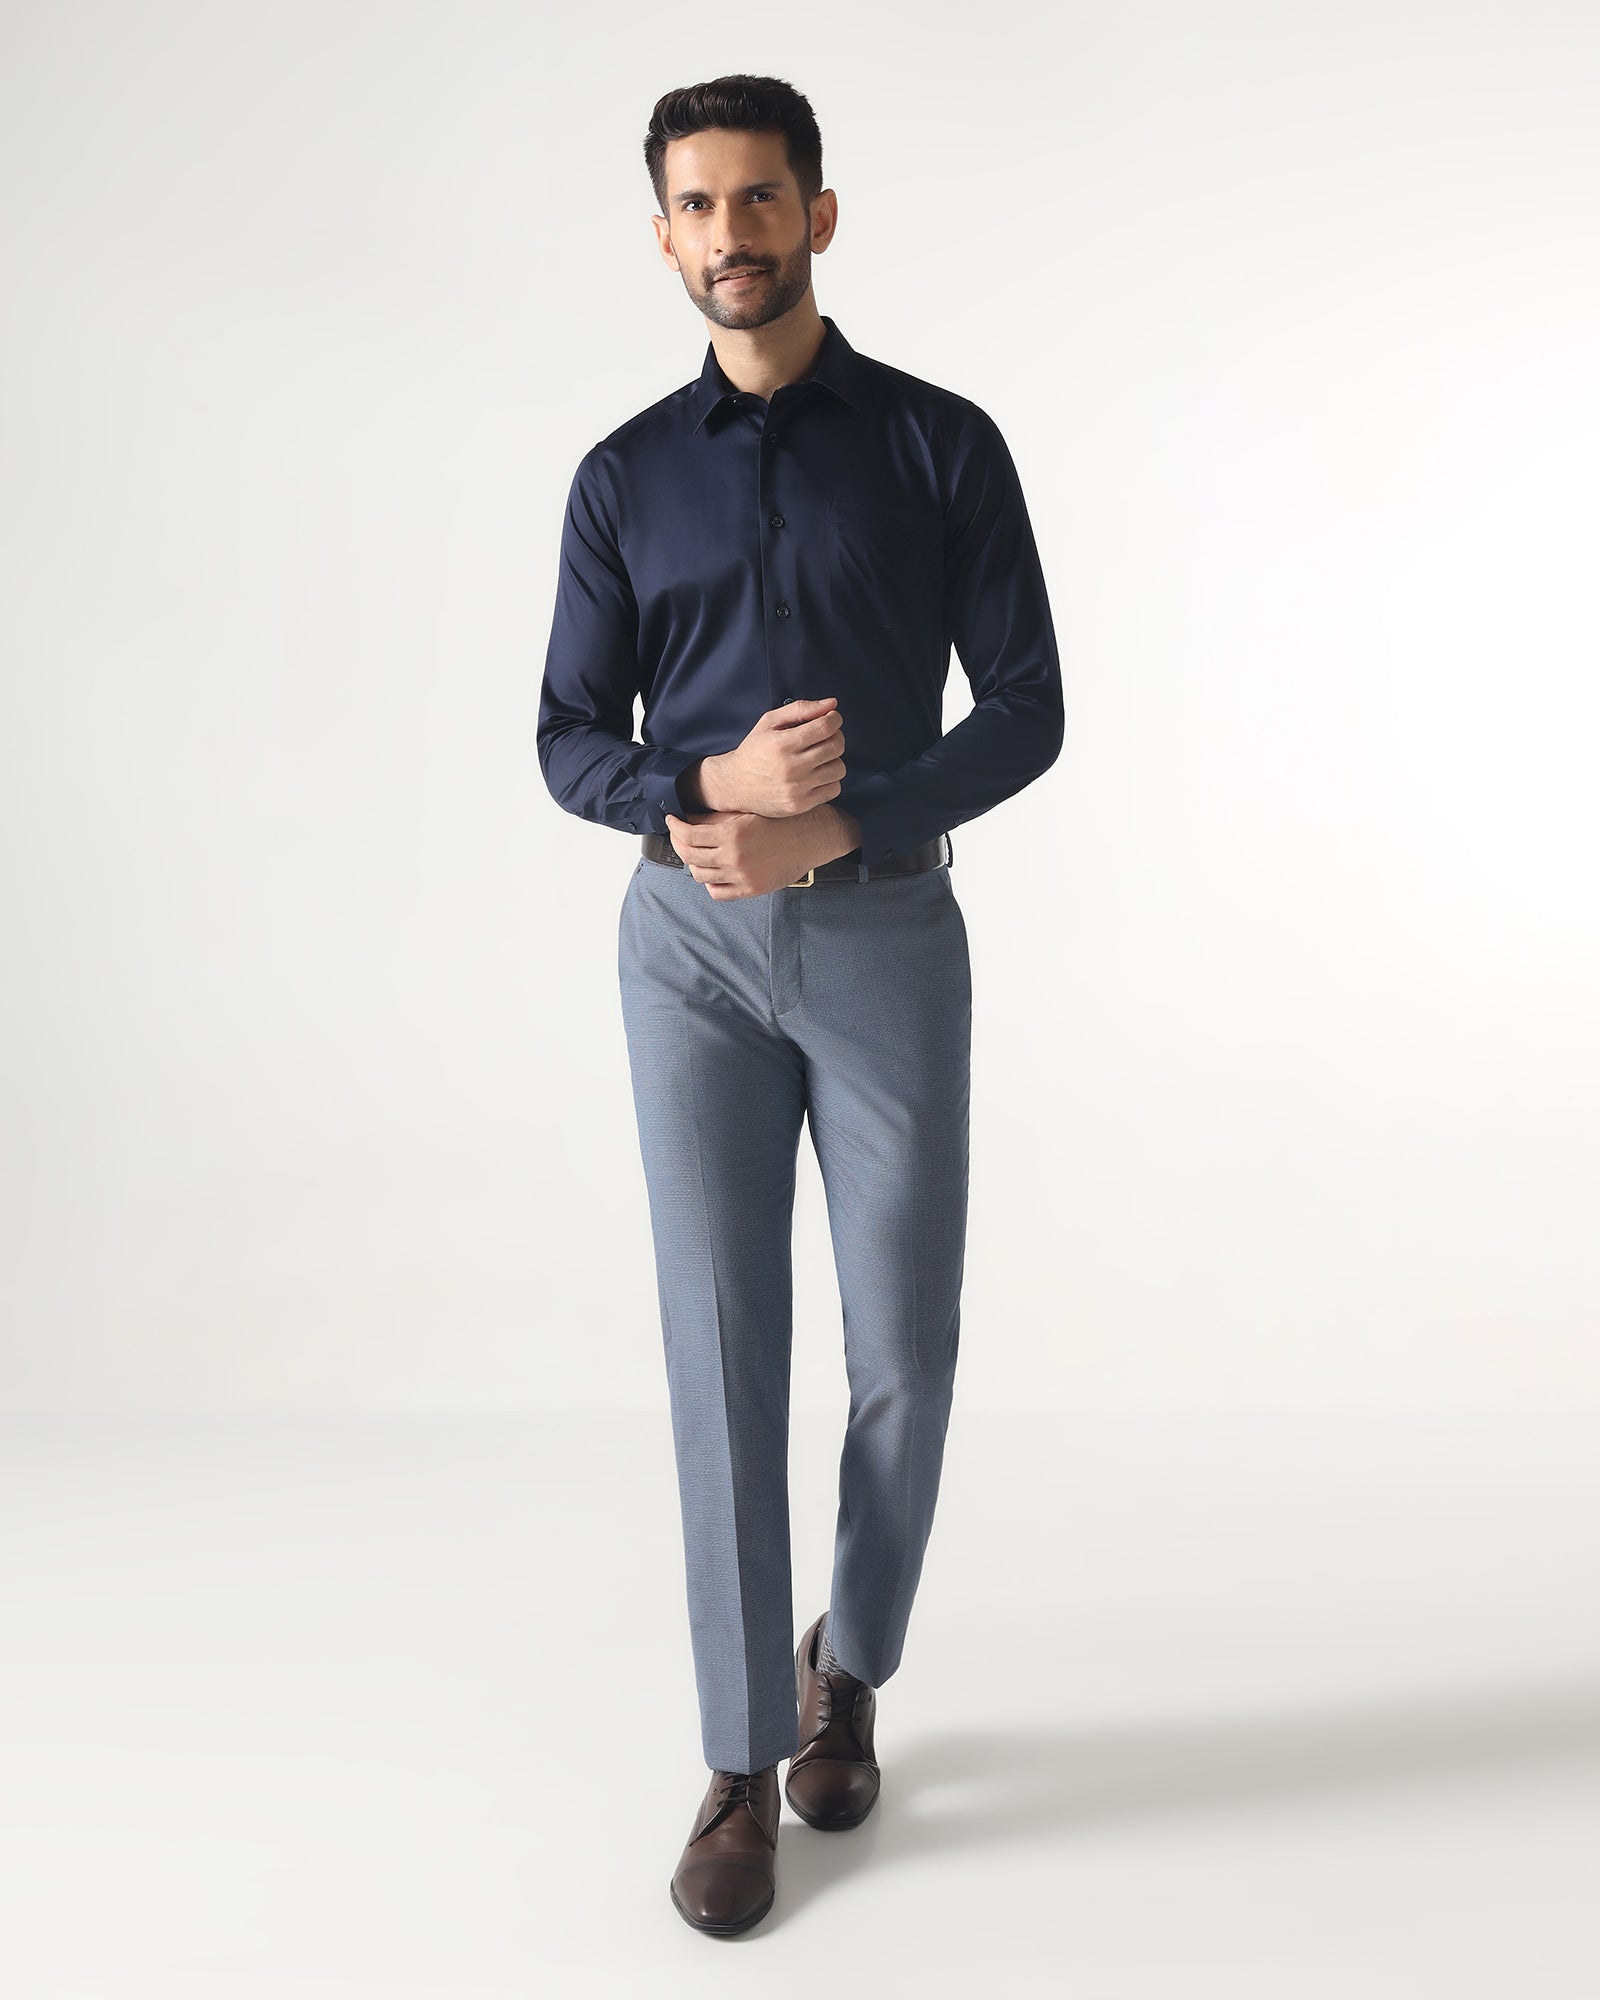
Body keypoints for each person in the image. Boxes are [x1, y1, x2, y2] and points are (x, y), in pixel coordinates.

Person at [537, 73, 1063, 1935]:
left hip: (885, 936)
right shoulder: (622, 478)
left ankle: (854, 1662)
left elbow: (1028, 708)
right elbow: (565, 738)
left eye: (760, 199)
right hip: (686, 953)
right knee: (723, 1345)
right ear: (663, 234)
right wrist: (706, 788)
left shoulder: (939, 445)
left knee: (902, 1344)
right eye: (697, 206)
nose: (730, 235)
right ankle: (739, 1757)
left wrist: (836, 818)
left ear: (818, 216)